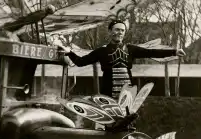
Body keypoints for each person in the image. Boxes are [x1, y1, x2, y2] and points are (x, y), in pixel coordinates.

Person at [56, 20, 186, 99]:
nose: (120, 33)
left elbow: (151, 52)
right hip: (108, 93)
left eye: (122, 30)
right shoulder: (102, 51)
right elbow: (80, 62)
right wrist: (69, 52)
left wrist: (174, 51)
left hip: (127, 92)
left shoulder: (130, 49)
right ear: (110, 31)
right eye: (117, 30)